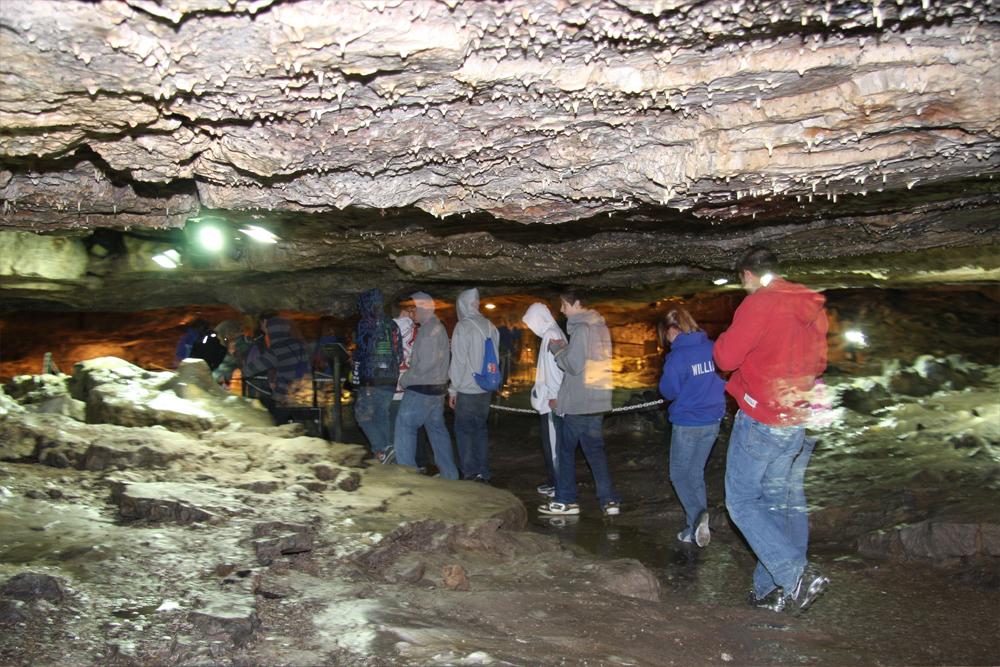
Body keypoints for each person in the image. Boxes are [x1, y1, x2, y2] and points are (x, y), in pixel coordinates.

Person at [714, 246, 830, 616]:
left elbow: (726, 357)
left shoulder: (760, 302)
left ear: (747, 274)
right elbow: (821, 362)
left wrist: (725, 341)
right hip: (796, 418)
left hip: (762, 417)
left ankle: (795, 575)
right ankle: (771, 590)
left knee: (742, 502)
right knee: (775, 502)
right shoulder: (811, 305)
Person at [538, 289, 621, 516]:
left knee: (565, 453)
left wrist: (556, 349)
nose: (562, 310)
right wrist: (567, 349)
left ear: (576, 304)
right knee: (595, 453)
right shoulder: (601, 327)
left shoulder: (582, 328)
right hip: (597, 402)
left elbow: (574, 366)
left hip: (579, 403)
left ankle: (566, 501)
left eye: (564, 305)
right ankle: (609, 501)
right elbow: (587, 360)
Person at [657, 308, 727, 548]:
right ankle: (694, 530)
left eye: (666, 335)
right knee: (695, 473)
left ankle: (697, 516)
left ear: (672, 330)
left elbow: (669, 391)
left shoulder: (678, 356)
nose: (667, 340)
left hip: (688, 423)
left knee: (678, 475)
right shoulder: (713, 347)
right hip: (713, 421)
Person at [393, 292, 459, 479]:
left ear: (423, 309)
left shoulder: (429, 330)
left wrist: (405, 379)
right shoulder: (436, 327)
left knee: (405, 426)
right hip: (437, 387)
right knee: (437, 430)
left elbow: (425, 363)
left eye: (413, 310)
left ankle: (407, 475)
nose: (411, 314)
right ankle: (449, 474)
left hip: (422, 387)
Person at [448, 288, 501, 484]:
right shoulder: (490, 326)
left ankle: (471, 472)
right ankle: (484, 471)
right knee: (480, 429)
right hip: (485, 388)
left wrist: (453, 389)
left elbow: (459, 361)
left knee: (464, 431)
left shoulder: (463, 326)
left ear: (461, 305)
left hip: (467, 389)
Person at [353, 288, 404, 463]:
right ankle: (384, 457)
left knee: (363, 416)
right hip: (390, 379)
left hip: (371, 378)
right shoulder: (392, 324)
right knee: (382, 417)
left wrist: (355, 362)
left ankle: (384, 448)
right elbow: (399, 354)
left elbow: (361, 350)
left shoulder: (366, 322)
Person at [522, 302, 566, 499]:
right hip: (550, 398)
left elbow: (553, 368)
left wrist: (553, 395)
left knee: (554, 445)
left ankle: (558, 485)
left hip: (551, 402)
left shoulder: (550, 334)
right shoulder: (554, 332)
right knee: (550, 445)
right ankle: (553, 482)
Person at [241, 314, 310, 425]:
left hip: (283, 395)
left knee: (273, 424)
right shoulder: (299, 344)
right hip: (302, 393)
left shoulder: (276, 347)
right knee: (305, 425)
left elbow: (256, 367)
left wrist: (228, 376)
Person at [390, 302, 430, 472]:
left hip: (391, 385)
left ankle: (398, 461)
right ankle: (420, 462)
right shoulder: (418, 331)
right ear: (405, 311)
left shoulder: (384, 331)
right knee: (415, 425)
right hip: (413, 384)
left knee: (395, 426)